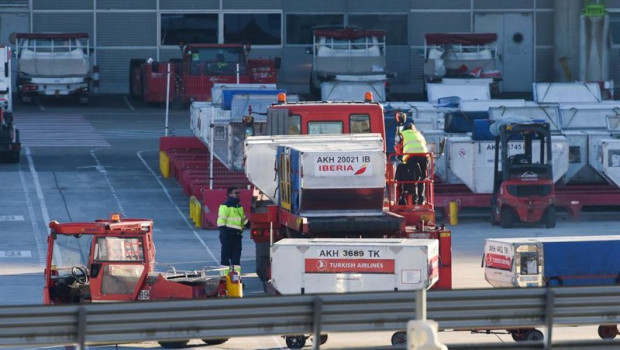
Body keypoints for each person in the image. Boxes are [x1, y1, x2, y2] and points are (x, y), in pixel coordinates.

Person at [395, 122, 429, 205]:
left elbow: (398, 148)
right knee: (422, 178)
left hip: (412, 156)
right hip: (424, 156)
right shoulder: (419, 134)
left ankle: (413, 198)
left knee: (412, 177)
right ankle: (421, 199)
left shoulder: (402, 134)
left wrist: (399, 156)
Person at [217, 187, 248, 269]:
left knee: (236, 260)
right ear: (230, 194)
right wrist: (224, 236)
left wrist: (251, 224)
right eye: (236, 193)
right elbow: (221, 222)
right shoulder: (225, 207)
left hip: (237, 237)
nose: (238, 195)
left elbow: (243, 220)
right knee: (225, 259)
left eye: (239, 193)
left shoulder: (239, 207)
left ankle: (235, 280)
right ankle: (224, 279)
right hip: (227, 235)